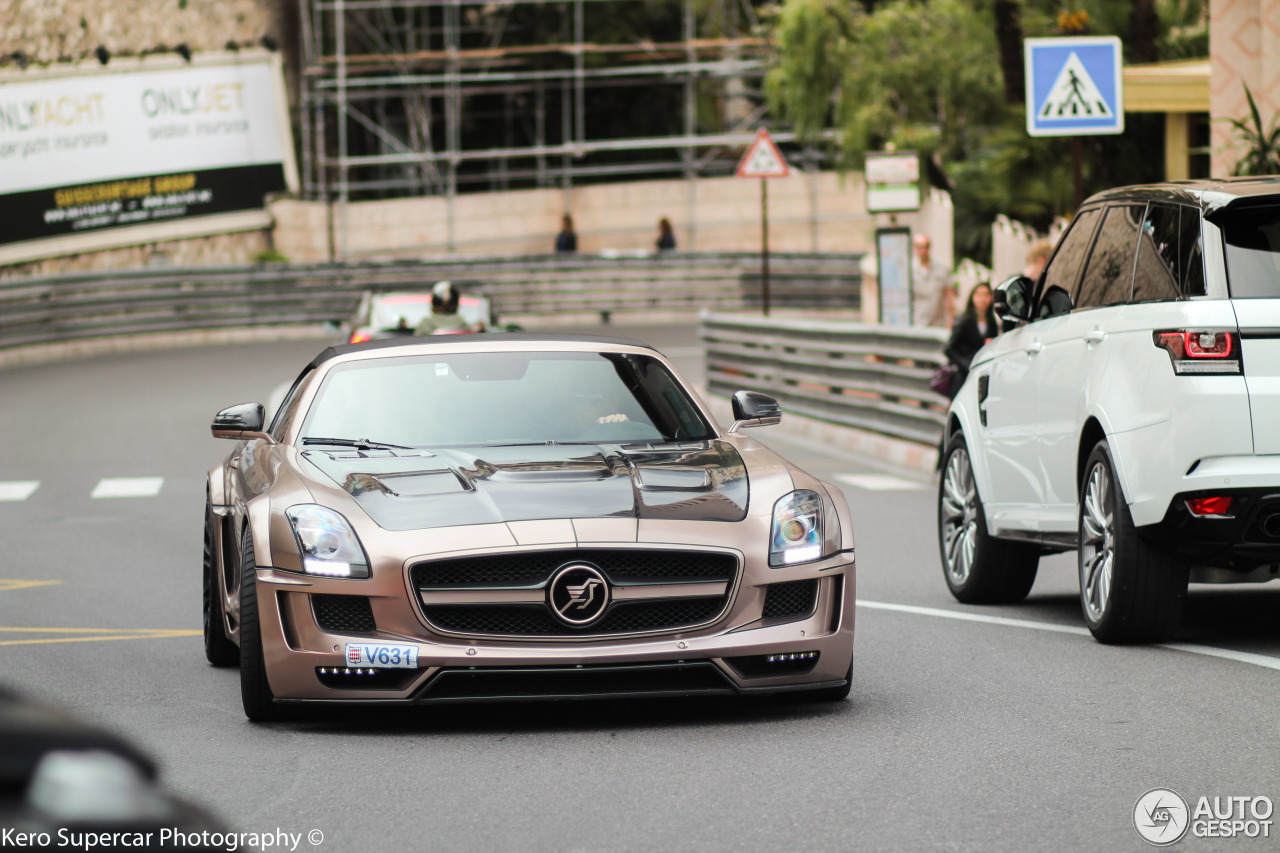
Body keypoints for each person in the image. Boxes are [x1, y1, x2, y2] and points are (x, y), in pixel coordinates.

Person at [943, 281, 999, 398]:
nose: (982, 299)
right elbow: (949, 349)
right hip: (963, 375)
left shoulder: (992, 322)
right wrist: (966, 364)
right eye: (978, 295)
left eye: (986, 295)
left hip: (982, 374)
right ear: (972, 297)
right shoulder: (963, 321)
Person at [911, 233, 953, 327]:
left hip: (938, 322)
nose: (923, 250)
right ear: (914, 248)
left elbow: (949, 296)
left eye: (926, 246)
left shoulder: (942, 268)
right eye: (919, 247)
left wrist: (950, 320)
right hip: (917, 322)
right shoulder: (909, 270)